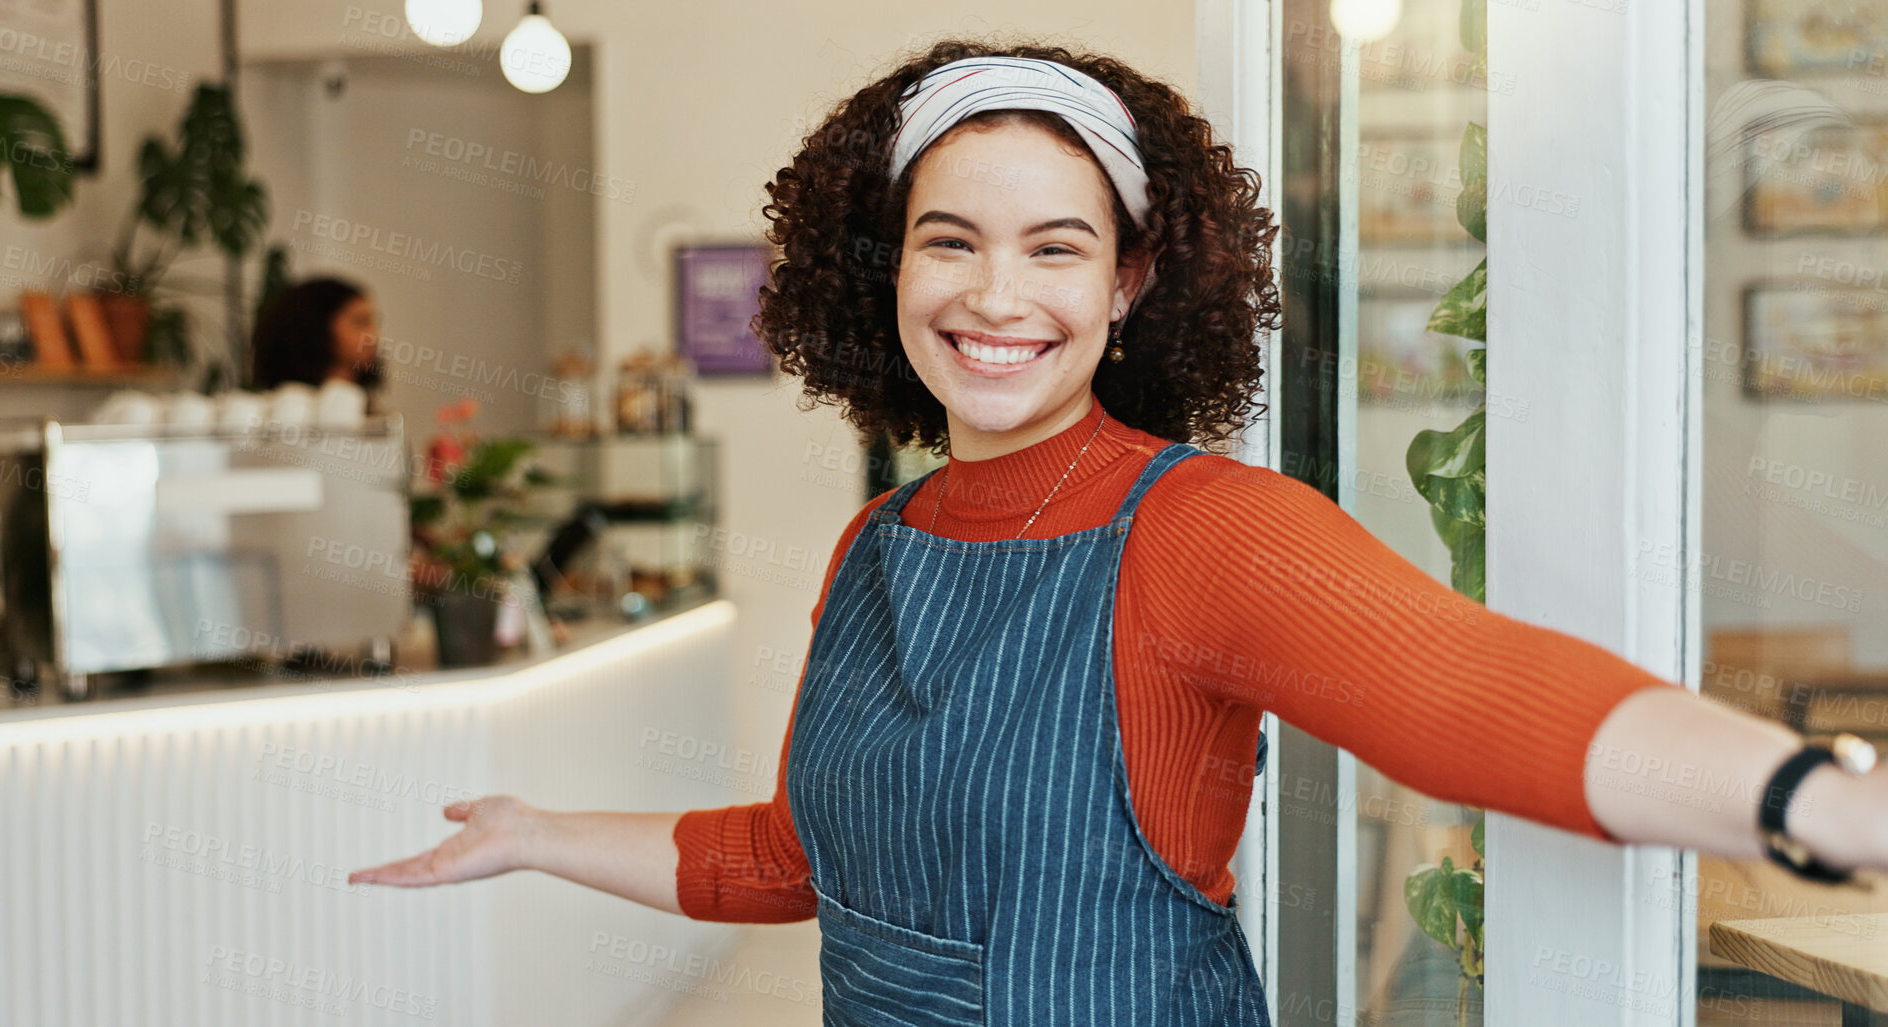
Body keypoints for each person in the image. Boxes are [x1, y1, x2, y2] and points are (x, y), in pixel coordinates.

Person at [349, 40, 1888, 1023]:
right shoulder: (876, 545)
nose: (995, 297)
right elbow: (804, 859)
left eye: (1054, 247)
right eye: (948, 240)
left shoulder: (1196, 527)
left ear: (1133, 284)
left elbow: (1462, 690)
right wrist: (535, 835)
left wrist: (1815, 797)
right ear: (882, 270)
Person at [249, 275, 385, 399]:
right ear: (317, 328)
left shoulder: (378, 418)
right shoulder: (287, 409)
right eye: (360, 322)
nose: (373, 337)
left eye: (374, 323)